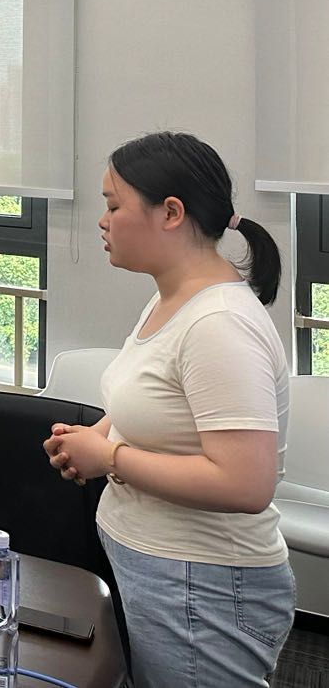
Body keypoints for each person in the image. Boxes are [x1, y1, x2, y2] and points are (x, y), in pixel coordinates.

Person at [44, 132, 293, 687]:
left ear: (171, 213)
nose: (102, 221)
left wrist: (109, 457)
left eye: (113, 206)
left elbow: (246, 484)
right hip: (160, 570)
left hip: (201, 583)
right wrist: (94, 440)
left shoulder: (219, 324)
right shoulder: (171, 298)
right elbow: (151, 403)